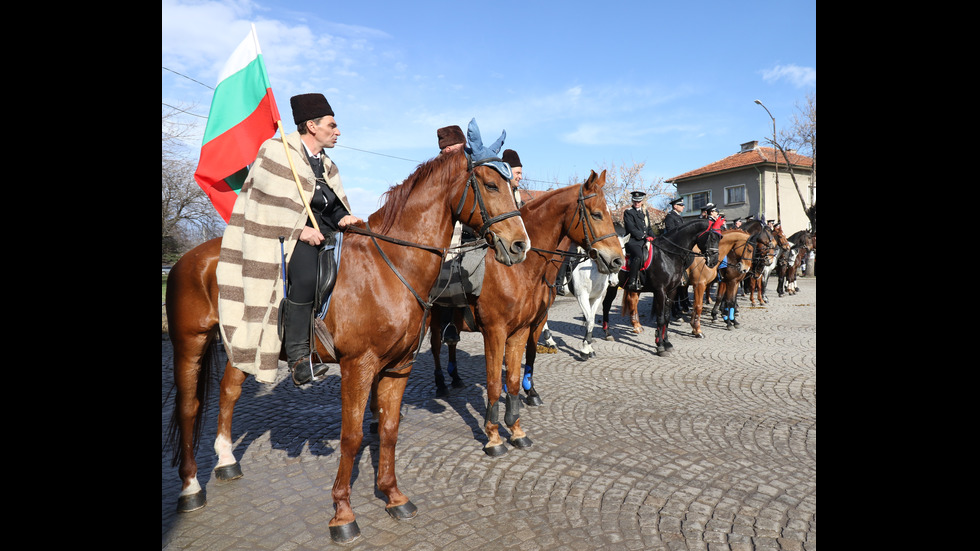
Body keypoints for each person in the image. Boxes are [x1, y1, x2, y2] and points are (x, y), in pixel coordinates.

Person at [216, 92, 364, 387]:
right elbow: (262, 205)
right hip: (286, 238)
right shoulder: (276, 152)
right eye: (332, 126)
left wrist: (343, 217)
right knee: (307, 277)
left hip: (325, 236)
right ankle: (298, 358)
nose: (338, 132)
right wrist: (299, 230)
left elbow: (331, 205)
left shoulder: (327, 165)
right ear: (312, 126)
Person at [435, 125, 469, 345]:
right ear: (447, 149)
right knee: (447, 273)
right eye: (460, 147)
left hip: (464, 229)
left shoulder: (461, 167)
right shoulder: (438, 171)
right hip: (441, 231)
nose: (464, 151)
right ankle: (447, 323)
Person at [623, 191, 658, 291]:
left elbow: (649, 228)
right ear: (632, 201)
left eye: (638, 201)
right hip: (633, 241)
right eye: (635, 201)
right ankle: (632, 281)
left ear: (642, 201)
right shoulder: (628, 212)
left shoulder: (644, 212)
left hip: (645, 240)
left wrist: (655, 238)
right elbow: (631, 228)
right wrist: (644, 236)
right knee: (638, 255)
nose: (636, 203)